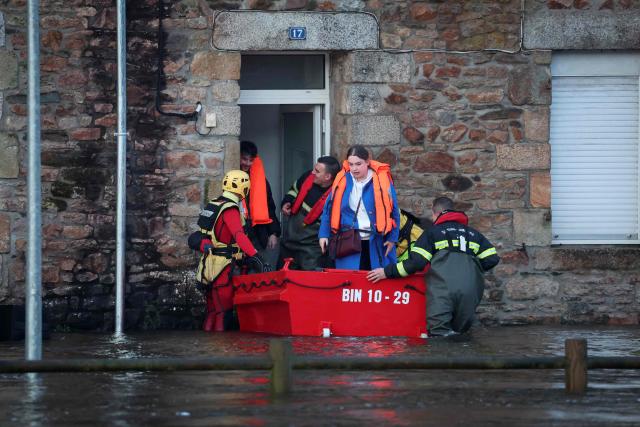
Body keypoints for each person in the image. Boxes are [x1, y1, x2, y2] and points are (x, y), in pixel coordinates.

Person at [367, 196, 500, 337]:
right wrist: (467, 269)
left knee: (439, 336)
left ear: (434, 213)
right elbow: (492, 259)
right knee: (462, 336)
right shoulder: (474, 234)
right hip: (470, 291)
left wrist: (386, 272)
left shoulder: (432, 233)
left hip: (442, 291)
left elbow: (416, 263)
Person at [188, 170, 273, 332]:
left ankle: (207, 348)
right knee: (223, 311)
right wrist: (257, 257)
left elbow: (204, 232)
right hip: (222, 266)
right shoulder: (230, 209)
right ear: (244, 188)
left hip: (208, 264)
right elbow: (239, 235)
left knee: (212, 311)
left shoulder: (214, 203)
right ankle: (223, 351)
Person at [318, 145, 400, 270]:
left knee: (375, 284)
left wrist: (393, 239)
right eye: (351, 164)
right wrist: (323, 234)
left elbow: (394, 212)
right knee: (349, 284)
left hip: (377, 241)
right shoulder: (342, 180)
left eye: (358, 164)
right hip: (348, 241)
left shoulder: (382, 181)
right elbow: (328, 210)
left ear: (367, 162)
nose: (354, 168)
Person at [279, 156, 341, 270]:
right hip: (288, 244)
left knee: (308, 282)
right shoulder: (307, 176)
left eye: (317, 171)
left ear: (328, 177)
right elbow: (294, 189)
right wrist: (287, 201)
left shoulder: (337, 195)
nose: (312, 172)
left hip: (311, 250)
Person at [240, 140, 281, 266]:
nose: (247, 163)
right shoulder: (229, 178)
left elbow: (270, 207)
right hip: (238, 230)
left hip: (258, 232)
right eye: (244, 159)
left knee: (260, 267)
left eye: (251, 160)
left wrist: (273, 233)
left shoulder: (261, 181)